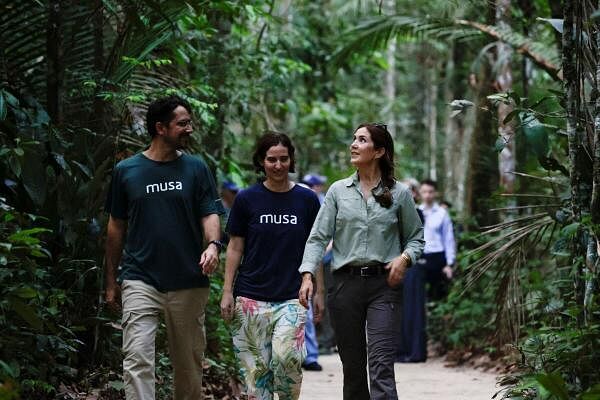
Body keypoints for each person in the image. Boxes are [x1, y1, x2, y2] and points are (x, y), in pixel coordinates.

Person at [104, 95, 224, 400]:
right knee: (137, 359)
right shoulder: (127, 170)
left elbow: (209, 212)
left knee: (187, 365)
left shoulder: (196, 169)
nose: (190, 129)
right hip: (140, 278)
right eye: (182, 123)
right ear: (161, 127)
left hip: (188, 279)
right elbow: (116, 227)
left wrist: (213, 245)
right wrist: (110, 282)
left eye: (189, 122)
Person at [298, 123, 424, 400]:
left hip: (384, 286)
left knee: (381, 365)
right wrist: (307, 274)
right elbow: (318, 238)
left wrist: (404, 258)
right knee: (353, 369)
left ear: (379, 151)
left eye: (362, 140)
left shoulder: (400, 193)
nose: (353, 144)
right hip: (345, 286)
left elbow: (416, 238)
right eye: (354, 139)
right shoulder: (337, 191)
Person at [220, 132, 322, 400]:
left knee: (287, 358)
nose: (278, 166)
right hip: (250, 295)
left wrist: (319, 292)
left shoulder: (307, 199)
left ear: (292, 160)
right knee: (255, 375)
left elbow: (315, 248)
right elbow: (235, 247)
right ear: (261, 161)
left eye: (284, 159)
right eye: (271, 160)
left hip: (292, 295)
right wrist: (227, 291)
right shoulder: (246, 199)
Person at [396, 178, 427, 363]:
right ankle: (399, 351)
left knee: (413, 310)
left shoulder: (418, 213)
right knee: (397, 309)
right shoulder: (393, 210)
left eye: (410, 190)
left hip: (411, 265)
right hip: (393, 264)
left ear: (414, 193)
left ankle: (415, 352)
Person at [300, 174, 327, 371]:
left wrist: (320, 289)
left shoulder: (313, 216)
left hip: (306, 269)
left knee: (307, 314)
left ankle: (311, 356)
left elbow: (317, 246)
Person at [419, 179, 456, 300]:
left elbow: (448, 238)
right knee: (420, 295)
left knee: (439, 295)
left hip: (438, 257)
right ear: (420, 192)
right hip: (420, 256)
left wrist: (449, 264)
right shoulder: (416, 211)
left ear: (435, 193)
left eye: (430, 192)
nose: (427, 195)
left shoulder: (442, 213)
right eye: (424, 192)